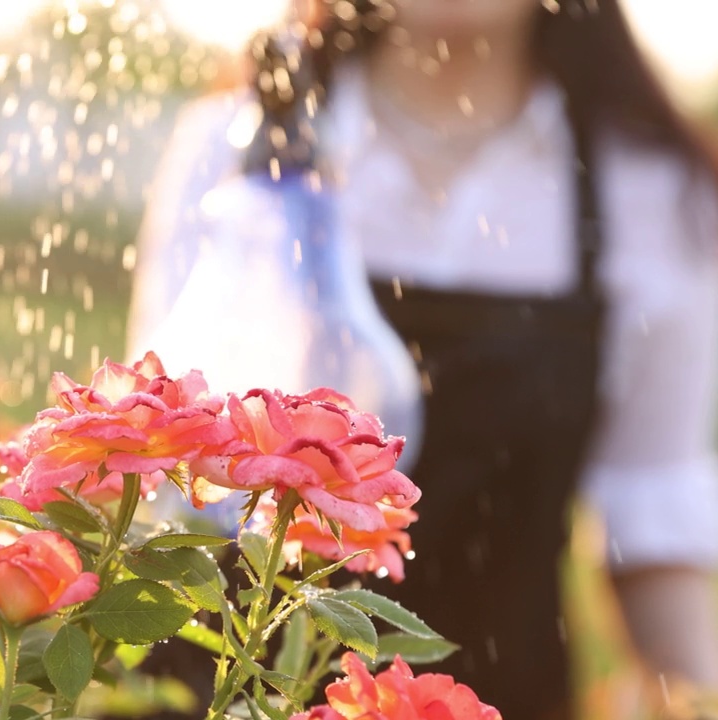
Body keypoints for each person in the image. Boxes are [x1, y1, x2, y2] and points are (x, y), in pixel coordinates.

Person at [127, 1, 718, 718]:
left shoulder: (651, 193)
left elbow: (651, 520)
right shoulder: (231, 144)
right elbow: (161, 466)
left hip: (487, 699)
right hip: (216, 696)